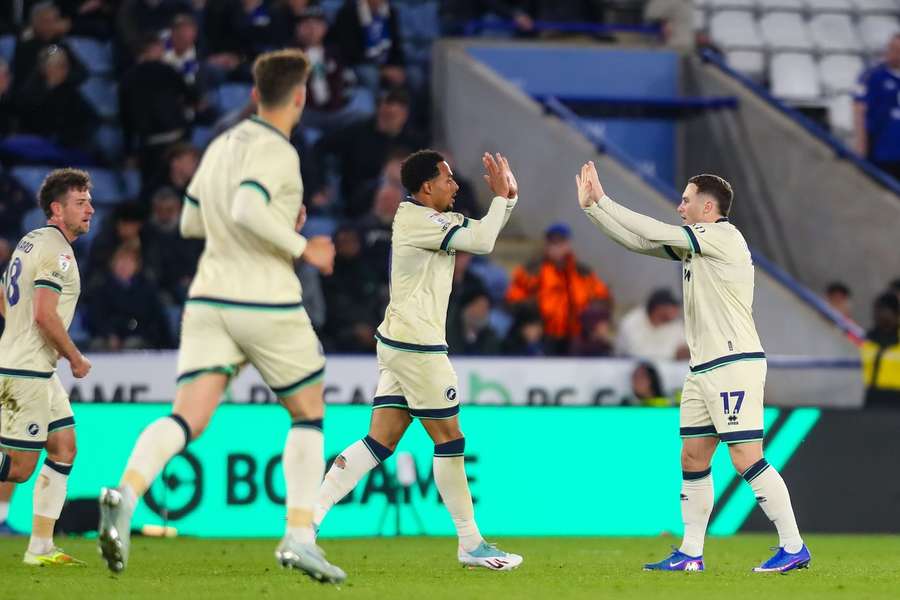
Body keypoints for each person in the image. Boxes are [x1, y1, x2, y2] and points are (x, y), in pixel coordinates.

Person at [98, 48, 344, 583]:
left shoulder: (221, 145)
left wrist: (272, 219)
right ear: (299, 96)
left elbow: (191, 221)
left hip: (209, 298)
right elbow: (246, 210)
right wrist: (302, 245)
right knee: (307, 413)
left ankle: (127, 492)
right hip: (264, 298)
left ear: (256, 94)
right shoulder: (278, 151)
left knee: (187, 417)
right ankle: (299, 537)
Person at [576, 163, 810, 572]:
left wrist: (605, 199)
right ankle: (690, 553)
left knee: (745, 457)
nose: (679, 206)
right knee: (693, 457)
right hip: (703, 368)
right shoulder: (696, 243)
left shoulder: (722, 236)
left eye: (685, 200)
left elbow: (653, 230)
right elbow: (639, 243)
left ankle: (793, 546)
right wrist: (593, 210)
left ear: (707, 206)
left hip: (732, 362)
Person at [314, 150, 523, 570]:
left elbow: (482, 232)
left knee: (379, 442)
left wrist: (509, 198)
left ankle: (305, 521)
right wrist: (500, 199)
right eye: (448, 179)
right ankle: (471, 543)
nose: (456, 185)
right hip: (418, 347)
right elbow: (482, 242)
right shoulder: (418, 220)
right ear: (426, 187)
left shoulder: (432, 219)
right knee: (450, 439)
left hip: (398, 341)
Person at [0, 168, 94, 565]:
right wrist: (74, 355)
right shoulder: (58, 252)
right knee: (19, 469)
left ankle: (40, 546)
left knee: (64, 447)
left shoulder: (30, 240)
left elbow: (7, 300)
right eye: (80, 202)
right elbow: (44, 314)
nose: (90, 209)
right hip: (27, 371)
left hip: (30, 364)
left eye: (89, 201)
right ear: (57, 209)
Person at [506, 222, 611, 354]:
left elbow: (602, 298)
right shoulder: (531, 271)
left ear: (568, 245)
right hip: (542, 334)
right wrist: (531, 320)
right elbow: (513, 301)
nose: (556, 248)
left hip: (577, 335)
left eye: (560, 243)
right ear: (546, 246)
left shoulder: (583, 272)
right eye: (552, 243)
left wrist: (595, 322)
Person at [854, 33, 900, 181]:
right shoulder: (872, 76)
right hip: (881, 152)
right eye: (891, 49)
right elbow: (859, 109)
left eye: (897, 50)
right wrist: (861, 147)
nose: (892, 53)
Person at [615, 288, 689, 360]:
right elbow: (637, 353)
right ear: (660, 308)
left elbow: (684, 348)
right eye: (673, 307)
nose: (677, 311)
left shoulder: (675, 324)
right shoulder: (632, 322)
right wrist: (673, 354)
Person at [860, 292, 900, 408]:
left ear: (896, 313)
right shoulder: (867, 340)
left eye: (884, 310)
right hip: (872, 397)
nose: (878, 314)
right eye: (877, 310)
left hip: (896, 398)